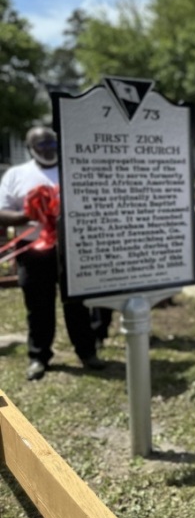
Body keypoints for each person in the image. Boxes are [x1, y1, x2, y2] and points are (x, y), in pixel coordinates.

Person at [0, 126, 104, 381]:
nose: (47, 150)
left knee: (78, 304)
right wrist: (28, 214)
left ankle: (87, 352)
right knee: (38, 306)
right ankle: (39, 356)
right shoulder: (16, 175)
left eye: (51, 144)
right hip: (34, 252)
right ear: (30, 148)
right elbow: (2, 212)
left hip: (72, 250)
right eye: (41, 146)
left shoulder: (73, 168)